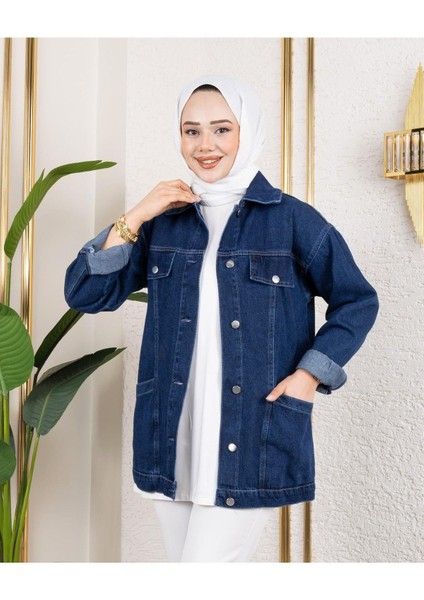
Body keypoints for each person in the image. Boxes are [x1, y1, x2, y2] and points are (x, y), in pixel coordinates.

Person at [64, 74, 379, 562]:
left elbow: (357, 300)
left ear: (247, 131)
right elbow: (86, 294)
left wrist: (309, 376)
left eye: (222, 129)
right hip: (171, 440)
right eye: (191, 131)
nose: (205, 145)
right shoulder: (163, 222)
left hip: (251, 436)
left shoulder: (293, 220)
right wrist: (137, 214)